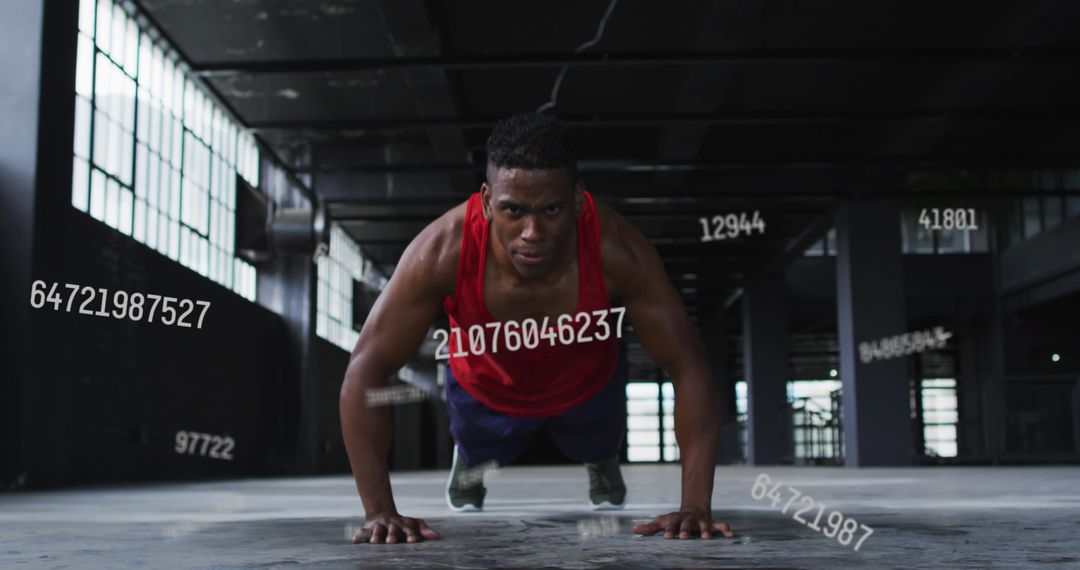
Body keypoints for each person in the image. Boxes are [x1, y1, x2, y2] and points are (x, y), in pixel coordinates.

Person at [339, 112, 735, 544]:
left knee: (597, 439)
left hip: (585, 383)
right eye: (513, 210)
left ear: (579, 199)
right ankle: (469, 463)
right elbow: (366, 368)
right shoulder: (441, 251)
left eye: (551, 209)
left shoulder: (618, 250)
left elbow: (688, 364)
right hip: (485, 386)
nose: (533, 232)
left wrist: (696, 505)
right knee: (479, 447)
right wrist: (379, 512)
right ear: (488, 201)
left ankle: (601, 460)